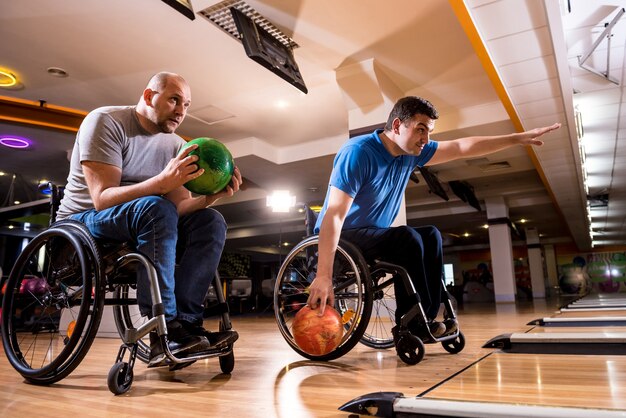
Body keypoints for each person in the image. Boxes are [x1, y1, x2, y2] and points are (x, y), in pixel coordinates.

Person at [307, 96, 560, 338]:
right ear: (397, 125)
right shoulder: (358, 152)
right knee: (406, 238)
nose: (426, 139)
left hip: (373, 236)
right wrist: (323, 275)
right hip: (342, 240)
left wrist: (516, 139)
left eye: (429, 132)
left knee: (430, 235)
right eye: (421, 130)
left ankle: (427, 315)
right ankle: (412, 322)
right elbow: (334, 215)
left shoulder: (409, 154)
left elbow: (462, 147)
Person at [56, 71, 242, 366]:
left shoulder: (175, 146)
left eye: (187, 105)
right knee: (156, 207)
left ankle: (187, 324)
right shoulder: (106, 121)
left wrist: (211, 199)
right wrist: (160, 184)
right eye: (174, 100)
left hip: (142, 221)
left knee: (211, 221)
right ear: (148, 96)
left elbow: (178, 209)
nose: (181, 110)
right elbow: (102, 198)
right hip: (81, 224)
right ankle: (162, 330)